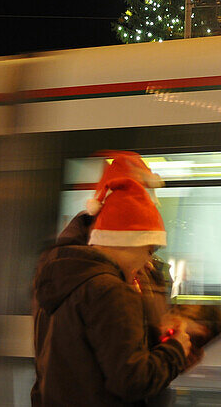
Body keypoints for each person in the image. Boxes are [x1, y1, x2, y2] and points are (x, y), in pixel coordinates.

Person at [31, 172, 191, 406]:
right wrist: (177, 350)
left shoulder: (59, 276)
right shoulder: (112, 290)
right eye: (149, 250)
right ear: (129, 243)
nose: (147, 262)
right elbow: (132, 381)